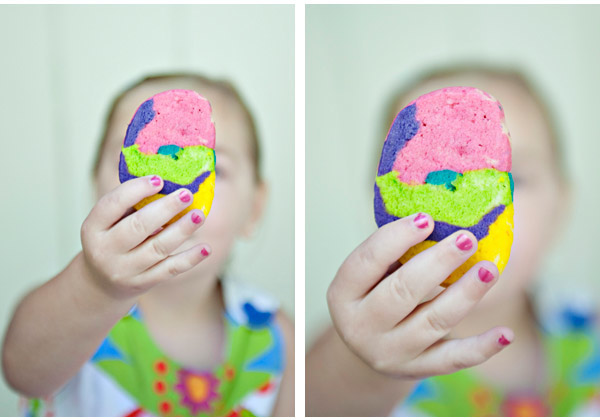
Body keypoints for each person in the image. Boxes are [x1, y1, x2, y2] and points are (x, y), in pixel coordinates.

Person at [306, 66, 600, 416]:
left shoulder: (591, 327)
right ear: (382, 199)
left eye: (514, 179)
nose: (461, 213)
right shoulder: (370, 337)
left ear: (561, 207)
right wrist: (361, 366)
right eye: (428, 179)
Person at [2, 73, 294, 416]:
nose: (169, 190)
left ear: (254, 208)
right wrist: (96, 286)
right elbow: (23, 372)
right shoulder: (71, 306)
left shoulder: (271, 333)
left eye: (212, 166)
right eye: (137, 159)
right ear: (96, 185)